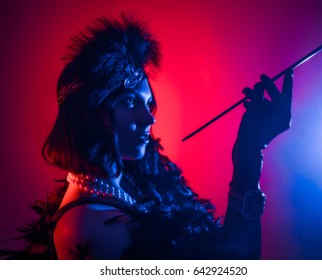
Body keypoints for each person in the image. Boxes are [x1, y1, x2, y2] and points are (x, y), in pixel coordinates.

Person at [2, 14, 293, 260]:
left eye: (147, 103)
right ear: (90, 114)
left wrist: (250, 147)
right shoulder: (92, 227)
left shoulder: (129, 183)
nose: (149, 118)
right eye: (130, 102)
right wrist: (249, 153)